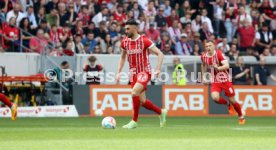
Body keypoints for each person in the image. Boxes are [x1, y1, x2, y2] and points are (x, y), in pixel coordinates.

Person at [116, 19, 167, 129]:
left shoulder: (144, 40)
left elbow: (160, 54)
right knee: (142, 101)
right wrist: (118, 72)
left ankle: (134, 121)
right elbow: (123, 57)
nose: (126, 31)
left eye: (128, 29)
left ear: (135, 29)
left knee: (134, 93)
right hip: (133, 74)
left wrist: (157, 69)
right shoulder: (124, 42)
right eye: (125, 29)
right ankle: (161, 112)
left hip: (144, 72)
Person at [201, 40, 245, 125]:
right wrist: (203, 77)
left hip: (225, 80)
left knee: (233, 100)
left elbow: (227, 65)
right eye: (206, 46)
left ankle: (240, 116)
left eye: (210, 46)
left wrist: (218, 68)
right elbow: (203, 65)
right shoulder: (204, 56)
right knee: (215, 98)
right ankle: (227, 103)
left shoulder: (219, 54)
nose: (208, 48)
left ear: (214, 46)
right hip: (215, 80)